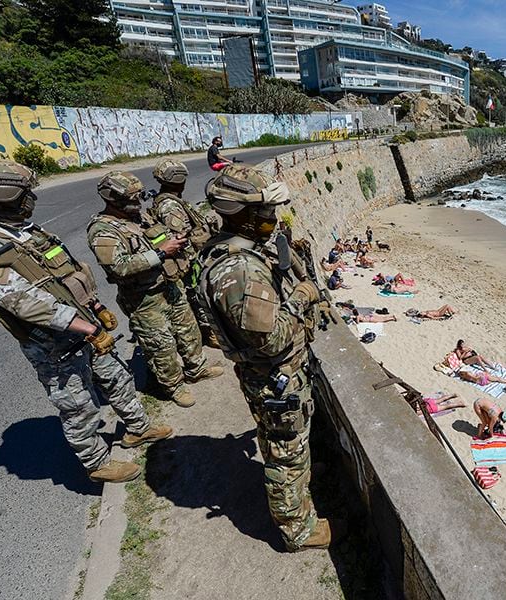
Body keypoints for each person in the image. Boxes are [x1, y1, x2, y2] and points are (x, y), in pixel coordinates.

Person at [0, 159, 173, 483]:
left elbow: (66, 274)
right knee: (78, 404)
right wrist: (85, 326)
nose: (33, 198)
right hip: (52, 343)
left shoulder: (30, 232)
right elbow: (22, 302)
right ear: (6, 193)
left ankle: (138, 429)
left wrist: (94, 306)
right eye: (27, 191)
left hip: (84, 324)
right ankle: (97, 464)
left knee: (117, 377)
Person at [197, 163, 345, 551]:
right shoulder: (239, 270)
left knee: (287, 442)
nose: (272, 219)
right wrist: (303, 296)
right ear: (242, 214)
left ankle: (300, 482)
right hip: (273, 375)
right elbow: (272, 340)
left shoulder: (234, 249)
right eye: (265, 213)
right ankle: (297, 529)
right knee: (284, 452)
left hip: (274, 376)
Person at [86, 171, 223, 409]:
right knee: (161, 347)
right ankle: (174, 387)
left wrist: (176, 240)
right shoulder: (103, 230)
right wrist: (161, 253)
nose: (137, 203)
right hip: (144, 299)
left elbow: (160, 236)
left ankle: (196, 368)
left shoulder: (140, 217)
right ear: (112, 199)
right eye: (131, 199)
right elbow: (118, 267)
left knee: (188, 331)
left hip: (170, 285)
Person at [148, 159, 219, 348]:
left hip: (190, 257)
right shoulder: (170, 206)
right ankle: (209, 333)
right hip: (188, 260)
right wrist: (193, 259)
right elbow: (179, 237)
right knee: (198, 294)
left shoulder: (171, 200)